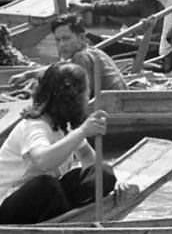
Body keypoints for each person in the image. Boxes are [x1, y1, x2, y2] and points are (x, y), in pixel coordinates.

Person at [0, 62, 115, 224]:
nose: (88, 96)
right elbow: (43, 161)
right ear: (73, 97)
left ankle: (73, 214)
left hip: (45, 202)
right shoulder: (35, 125)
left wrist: (114, 186)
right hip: (7, 205)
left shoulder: (65, 125)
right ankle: (69, 220)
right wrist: (82, 131)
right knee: (47, 186)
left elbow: (88, 158)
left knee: (103, 172)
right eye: (85, 92)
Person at [11, 12, 126, 92]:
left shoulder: (82, 57)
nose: (61, 45)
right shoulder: (88, 51)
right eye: (58, 40)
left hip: (111, 108)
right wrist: (28, 75)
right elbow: (58, 68)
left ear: (81, 37)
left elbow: (81, 95)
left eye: (66, 39)